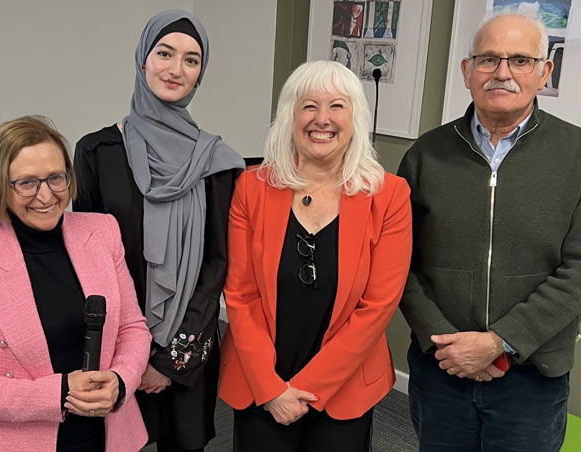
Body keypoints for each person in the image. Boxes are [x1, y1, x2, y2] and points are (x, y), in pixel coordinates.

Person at [397, 11, 581, 452]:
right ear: (467, 71)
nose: (502, 73)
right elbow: (398, 263)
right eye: (488, 60)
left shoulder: (576, 155)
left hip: (532, 376)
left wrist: (500, 342)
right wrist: (445, 341)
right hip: (442, 368)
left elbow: (578, 270)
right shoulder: (426, 154)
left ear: (544, 71)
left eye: (520, 60)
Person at [73, 10, 245, 452]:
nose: (176, 69)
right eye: (165, 53)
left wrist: (170, 362)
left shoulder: (217, 163)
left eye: (191, 60)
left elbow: (217, 266)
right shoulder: (96, 151)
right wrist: (132, 358)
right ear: (143, 60)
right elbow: (87, 263)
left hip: (188, 349)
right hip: (115, 348)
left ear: (200, 74)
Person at [219, 60, 412, 452]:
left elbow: (376, 307)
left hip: (346, 384)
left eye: (337, 106)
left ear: (355, 117)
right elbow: (240, 295)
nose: (322, 119)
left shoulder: (389, 195)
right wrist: (271, 387)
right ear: (290, 114)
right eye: (309, 105)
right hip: (262, 379)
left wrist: (307, 388)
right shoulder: (250, 187)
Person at [0, 115, 151, 452]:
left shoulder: (102, 232)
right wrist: (59, 392)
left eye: (56, 178)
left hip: (108, 436)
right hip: (19, 442)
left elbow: (133, 328)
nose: (46, 195)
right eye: (27, 183)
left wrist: (121, 380)